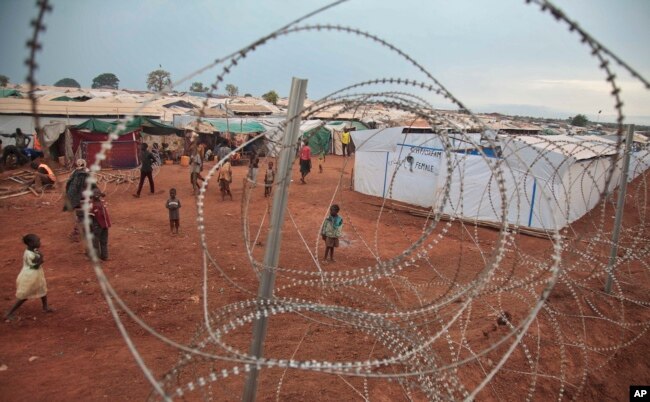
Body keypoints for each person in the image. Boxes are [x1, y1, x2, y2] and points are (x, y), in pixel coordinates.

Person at [4, 234, 53, 320]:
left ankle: (45, 307)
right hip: (30, 276)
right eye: (37, 241)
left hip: (36, 274)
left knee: (42, 288)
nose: (39, 243)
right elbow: (35, 266)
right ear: (30, 243)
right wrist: (41, 258)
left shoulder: (33, 250)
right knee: (25, 295)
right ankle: (9, 313)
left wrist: (39, 257)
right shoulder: (28, 255)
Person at [63, 159, 93, 241]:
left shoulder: (74, 173)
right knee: (85, 214)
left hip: (78, 198)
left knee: (80, 215)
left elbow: (69, 185)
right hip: (85, 197)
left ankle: (78, 233)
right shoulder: (87, 172)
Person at [90, 188, 111, 261]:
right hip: (104, 225)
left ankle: (98, 257)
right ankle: (104, 256)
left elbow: (92, 217)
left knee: (97, 242)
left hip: (98, 225)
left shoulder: (92, 205)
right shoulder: (102, 203)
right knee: (103, 241)